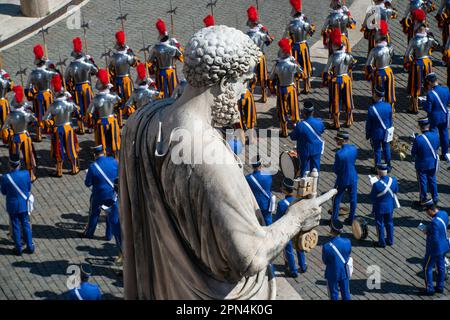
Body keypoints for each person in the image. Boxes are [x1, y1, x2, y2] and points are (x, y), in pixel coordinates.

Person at [43, 74, 80, 177]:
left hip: (58, 128)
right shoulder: (69, 104)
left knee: (58, 150)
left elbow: (45, 119)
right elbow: (77, 111)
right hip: (68, 127)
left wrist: (50, 124)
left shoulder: (53, 106)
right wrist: (71, 98)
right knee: (71, 148)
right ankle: (74, 167)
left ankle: (59, 171)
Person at [404, 18, 440, 114]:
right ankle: (431, 104)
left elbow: (407, 54)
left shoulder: (413, 40)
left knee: (415, 85)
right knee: (430, 84)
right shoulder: (429, 38)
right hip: (427, 62)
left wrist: (408, 63)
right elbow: (437, 44)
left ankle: (414, 108)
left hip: (417, 64)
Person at [1, 155, 34, 256]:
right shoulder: (25, 174)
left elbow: (3, 192)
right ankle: (30, 247)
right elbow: (28, 188)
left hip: (12, 205)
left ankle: (18, 248)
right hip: (24, 203)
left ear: (9, 165)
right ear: (19, 164)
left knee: (15, 225)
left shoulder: (5, 178)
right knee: (26, 224)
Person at [2, 86, 37, 182]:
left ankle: (15, 175)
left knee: (14, 157)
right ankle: (31, 175)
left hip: (15, 137)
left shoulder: (10, 115)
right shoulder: (26, 114)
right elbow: (35, 122)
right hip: (25, 136)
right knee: (28, 156)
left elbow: (4, 127)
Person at [83, 145, 119, 240]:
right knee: (110, 214)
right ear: (104, 152)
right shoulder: (113, 161)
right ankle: (109, 236)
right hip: (111, 193)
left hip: (98, 195)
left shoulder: (92, 167)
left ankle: (89, 233)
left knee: (94, 214)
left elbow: (88, 183)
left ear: (94, 154)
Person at [269, 38, 303, 137]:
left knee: (282, 110)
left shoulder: (277, 65)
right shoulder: (292, 64)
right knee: (294, 108)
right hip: (291, 88)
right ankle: (297, 129)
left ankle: (284, 131)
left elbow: (271, 77)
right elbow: (301, 72)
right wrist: (295, 61)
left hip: (281, 89)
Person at [323, 28, 356, 129]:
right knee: (348, 100)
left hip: (336, 80)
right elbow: (352, 65)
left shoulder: (333, 57)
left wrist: (326, 79)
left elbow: (326, 71)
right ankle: (349, 120)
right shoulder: (347, 55)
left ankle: (336, 123)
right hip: (346, 79)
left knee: (335, 101)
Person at [65, 37, 99, 134]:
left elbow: (66, 78)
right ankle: (91, 125)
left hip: (78, 87)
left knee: (79, 107)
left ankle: (81, 127)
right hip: (87, 87)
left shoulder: (71, 66)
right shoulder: (87, 63)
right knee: (89, 106)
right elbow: (96, 71)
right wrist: (91, 60)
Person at [25, 44, 58, 142]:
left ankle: (39, 134)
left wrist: (30, 95)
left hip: (38, 95)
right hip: (48, 94)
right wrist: (51, 65)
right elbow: (57, 75)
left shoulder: (32, 74)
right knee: (50, 112)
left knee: (38, 113)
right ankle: (49, 128)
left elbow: (27, 88)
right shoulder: (49, 72)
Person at [275, 178, 307, 277]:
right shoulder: (299, 200)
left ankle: (293, 270)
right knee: (299, 246)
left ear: (284, 190)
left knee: (288, 250)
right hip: (298, 227)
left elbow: (278, 220)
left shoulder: (281, 204)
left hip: (288, 230)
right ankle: (302, 265)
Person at [86, 69, 121, 159]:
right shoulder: (114, 96)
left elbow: (89, 112)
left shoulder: (96, 99)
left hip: (101, 122)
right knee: (114, 140)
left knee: (103, 141)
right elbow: (119, 103)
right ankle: (116, 158)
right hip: (112, 120)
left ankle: (104, 157)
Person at [284, 0, 315, 94]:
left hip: (295, 48)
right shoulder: (305, 22)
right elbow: (311, 32)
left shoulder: (290, 25)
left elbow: (285, 38)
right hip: (304, 46)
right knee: (305, 65)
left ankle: (297, 88)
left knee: (296, 66)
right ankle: (306, 87)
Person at [109, 31, 138, 128]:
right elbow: (135, 63)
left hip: (117, 80)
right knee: (129, 98)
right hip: (126, 79)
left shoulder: (113, 57)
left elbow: (110, 70)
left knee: (119, 100)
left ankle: (120, 120)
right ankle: (131, 117)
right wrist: (131, 53)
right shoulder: (127, 56)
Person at [148, 19, 184, 99]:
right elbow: (182, 58)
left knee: (162, 93)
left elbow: (149, 64)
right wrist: (178, 45)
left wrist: (152, 75)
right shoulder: (173, 47)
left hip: (160, 73)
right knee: (174, 91)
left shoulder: (155, 48)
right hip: (172, 72)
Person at [365, 21, 396, 110]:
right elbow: (391, 59)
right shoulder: (390, 47)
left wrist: (370, 73)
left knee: (378, 93)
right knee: (390, 92)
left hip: (379, 74)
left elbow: (368, 66)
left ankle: (379, 109)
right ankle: (391, 110)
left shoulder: (374, 50)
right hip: (389, 72)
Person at [290, 101, 325, 178]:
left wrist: (295, 128)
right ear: (313, 112)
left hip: (304, 150)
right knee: (316, 169)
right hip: (316, 149)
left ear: (304, 113)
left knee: (304, 169)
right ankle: (315, 185)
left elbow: (293, 137)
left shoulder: (300, 125)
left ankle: (304, 187)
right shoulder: (319, 122)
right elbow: (322, 130)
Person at [421, 199, 449, 295]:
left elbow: (434, 239)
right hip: (445, 245)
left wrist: (427, 231)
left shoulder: (434, 223)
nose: (427, 214)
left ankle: (430, 289)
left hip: (434, 250)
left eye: (427, 211)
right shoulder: (444, 214)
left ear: (430, 210)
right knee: (441, 267)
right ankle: (440, 287)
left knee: (426, 268)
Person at [246, 5, 273, 102]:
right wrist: (265, 31)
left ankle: (251, 94)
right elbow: (269, 41)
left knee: (251, 75)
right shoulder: (262, 33)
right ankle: (264, 95)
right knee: (263, 77)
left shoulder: (246, 35)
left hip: (251, 58)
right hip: (261, 56)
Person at [331, 131, 358, 225]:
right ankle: (351, 219)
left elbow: (336, 169)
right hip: (353, 176)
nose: (336, 141)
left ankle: (334, 220)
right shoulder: (354, 149)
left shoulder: (339, 154)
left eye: (337, 140)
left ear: (342, 141)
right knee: (353, 198)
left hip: (342, 178)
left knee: (336, 198)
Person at [370, 162, 399, 248]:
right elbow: (396, 190)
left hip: (380, 207)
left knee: (380, 224)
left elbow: (372, 197)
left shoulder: (376, 185)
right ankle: (390, 240)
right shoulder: (393, 180)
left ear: (378, 172)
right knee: (389, 223)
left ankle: (381, 242)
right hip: (390, 206)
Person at [421, 73, 449, 161]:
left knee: (433, 135)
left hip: (434, 117)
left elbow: (428, 109)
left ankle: (432, 153)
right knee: (444, 134)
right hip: (444, 115)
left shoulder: (430, 94)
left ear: (429, 82)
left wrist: (422, 103)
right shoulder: (446, 89)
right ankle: (445, 154)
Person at [412, 118, 440, 205]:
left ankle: (423, 199)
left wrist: (414, 141)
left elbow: (413, 153)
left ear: (420, 127)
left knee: (422, 182)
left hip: (422, 164)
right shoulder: (435, 135)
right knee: (432, 180)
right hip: (432, 162)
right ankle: (435, 198)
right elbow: (437, 147)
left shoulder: (418, 139)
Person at [365, 86, 393, 172]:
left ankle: (377, 167)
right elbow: (390, 119)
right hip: (386, 132)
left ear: (376, 95)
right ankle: (388, 166)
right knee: (387, 148)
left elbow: (369, 124)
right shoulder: (388, 106)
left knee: (377, 150)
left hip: (376, 133)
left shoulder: (371, 109)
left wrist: (368, 134)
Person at [322, 220, 351, 300]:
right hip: (344, 272)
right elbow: (348, 254)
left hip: (332, 273)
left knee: (333, 295)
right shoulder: (347, 242)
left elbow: (325, 261)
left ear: (331, 230)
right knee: (346, 293)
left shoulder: (326, 247)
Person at [245, 155, 274, 226]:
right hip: (266, 203)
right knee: (268, 221)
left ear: (252, 165)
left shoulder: (248, 178)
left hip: (255, 204)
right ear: (261, 164)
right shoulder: (268, 176)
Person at [0, 70, 13, 140]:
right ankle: (6, 137)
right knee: (5, 120)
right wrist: (8, 78)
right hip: (3, 102)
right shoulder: (4, 80)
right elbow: (11, 86)